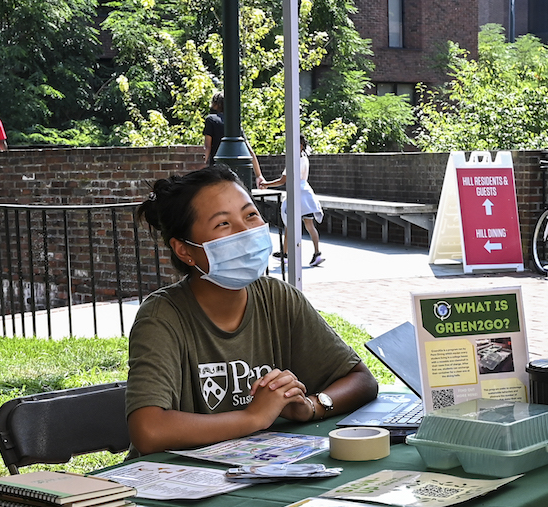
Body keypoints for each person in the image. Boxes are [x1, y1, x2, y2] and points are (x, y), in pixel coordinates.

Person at [126, 166, 377, 453]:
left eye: (250, 215)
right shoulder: (162, 317)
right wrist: (253, 417)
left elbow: (361, 380)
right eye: (223, 224)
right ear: (184, 250)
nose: (245, 231)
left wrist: (312, 406)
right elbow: (149, 430)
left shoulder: (276, 297)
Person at [261, 135, 325, 267]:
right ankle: (317, 253)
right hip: (306, 194)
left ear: (300, 145)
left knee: (288, 224)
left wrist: (266, 184)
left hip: (296, 194)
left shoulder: (294, 160)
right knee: (309, 225)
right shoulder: (304, 158)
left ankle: (286, 254)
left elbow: (282, 180)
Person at [202, 94, 225, 165]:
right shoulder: (234, 121)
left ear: (216, 104)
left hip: (217, 164)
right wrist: (259, 175)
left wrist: (202, 164)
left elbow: (207, 146)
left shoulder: (211, 119)